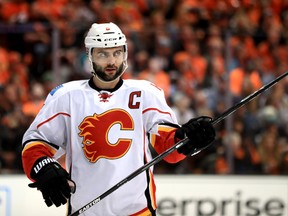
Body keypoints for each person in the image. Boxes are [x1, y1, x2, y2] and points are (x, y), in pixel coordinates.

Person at [21, 22, 216, 216]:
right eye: (102, 54)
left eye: (117, 53)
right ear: (90, 56)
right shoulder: (67, 97)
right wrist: (44, 168)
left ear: (125, 54)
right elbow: (36, 142)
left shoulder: (146, 93)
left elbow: (169, 147)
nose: (111, 61)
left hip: (138, 212)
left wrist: (189, 139)